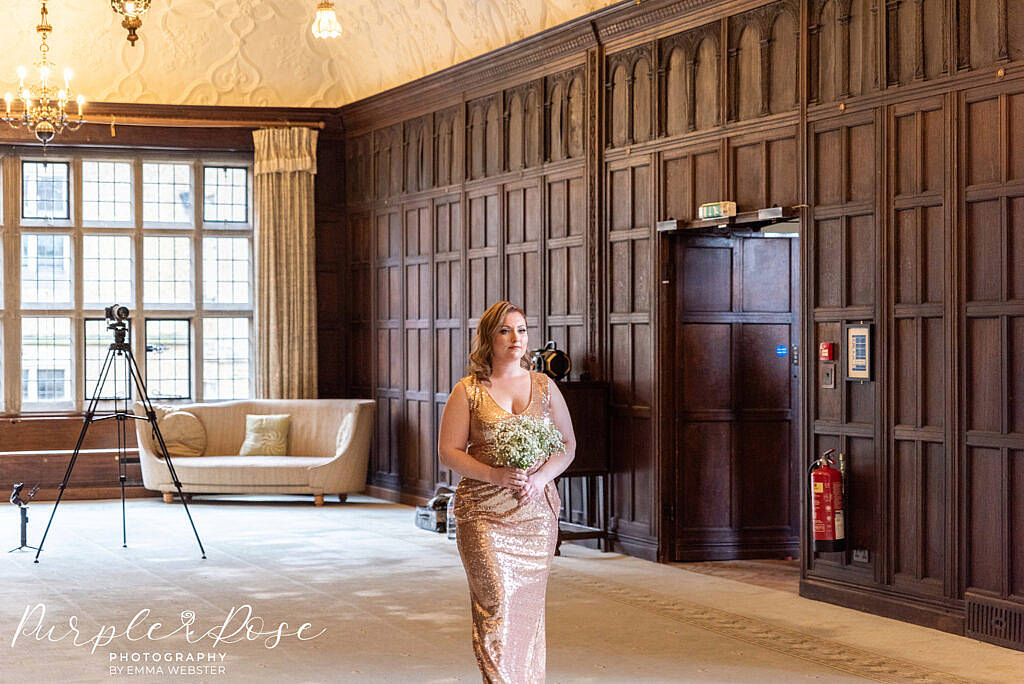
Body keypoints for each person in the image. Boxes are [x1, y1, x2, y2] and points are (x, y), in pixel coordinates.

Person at [437, 300, 576, 683]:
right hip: (482, 513)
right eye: (505, 330)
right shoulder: (468, 390)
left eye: (522, 330)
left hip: (535, 514)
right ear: (489, 338)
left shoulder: (544, 386)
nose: (516, 338)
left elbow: (567, 446)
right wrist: (495, 475)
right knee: (496, 604)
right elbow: (448, 451)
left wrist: (540, 477)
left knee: (527, 612)